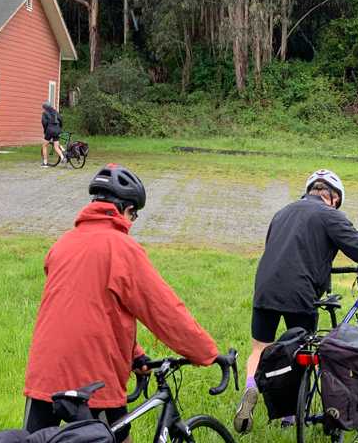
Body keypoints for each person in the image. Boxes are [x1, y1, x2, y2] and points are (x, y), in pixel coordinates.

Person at [23, 164, 221, 441]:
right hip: (92, 379)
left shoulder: (62, 244)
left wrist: (134, 354)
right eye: (135, 215)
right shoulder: (123, 249)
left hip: (43, 374)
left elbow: (90, 307)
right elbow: (164, 311)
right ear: (126, 210)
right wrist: (207, 353)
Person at [233, 169, 358, 435]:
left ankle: (251, 385)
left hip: (265, 287)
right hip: (300, 291)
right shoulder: (330, 215)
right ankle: (292, 414)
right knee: (302, 352)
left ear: (310, 191)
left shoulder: (282, 212)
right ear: (334, 198)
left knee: (260, 347)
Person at [40, 101, 65, 167]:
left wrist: (45, 131)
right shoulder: (55, 112)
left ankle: (45, 163)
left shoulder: (45, 113)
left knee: (44, 145)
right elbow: (61, 120)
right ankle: (62, 157)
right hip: (57, 130)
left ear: (45, 107)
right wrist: (60, 128)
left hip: (50, 130)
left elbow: (44, 123)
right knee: (56, 146)